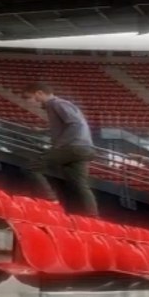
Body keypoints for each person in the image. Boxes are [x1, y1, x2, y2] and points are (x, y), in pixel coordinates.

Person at [21, 82, 97, 216]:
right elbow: (64, 126)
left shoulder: (56, 104)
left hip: (72, 147)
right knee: (79, 184)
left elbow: (75, 124)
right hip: (84, 149)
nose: (30, 102)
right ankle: (92, 217)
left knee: (31, 167)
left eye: (29, 97)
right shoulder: (58, 105)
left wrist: (59, 145)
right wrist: (43, 131)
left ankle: (50, 200)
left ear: (39, 93)